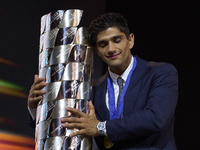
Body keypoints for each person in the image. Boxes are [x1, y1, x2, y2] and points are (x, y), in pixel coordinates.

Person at [28, 13, 179, 150]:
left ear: (130, 40)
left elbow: (155, 118)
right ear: (97, 50)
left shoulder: (160, 73)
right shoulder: (91, 88)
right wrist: (37, 108)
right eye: (103, 44)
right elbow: (65, 125)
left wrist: (100, 127)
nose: (111, 49)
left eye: (117, 40)